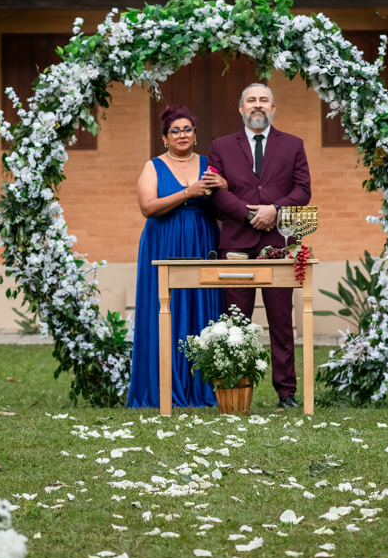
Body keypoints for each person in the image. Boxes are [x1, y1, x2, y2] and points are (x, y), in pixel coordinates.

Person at [208, 83, 311, 409]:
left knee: (282, 319)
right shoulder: (221, 146)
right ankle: (236, 388)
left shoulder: (293, 144)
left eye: (263, 100)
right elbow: (215, 190)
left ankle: (286, 393)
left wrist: (274, 210)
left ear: (273, 108)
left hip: (278, 243)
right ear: (241, 108)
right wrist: (249, 213)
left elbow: (303, 190)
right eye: (251, 100)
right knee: (235, 318)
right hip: (236, 241)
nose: (257, 105)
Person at [127, 106, 228, 409]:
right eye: (175, 131)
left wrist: (222, 185)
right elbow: (148, 207)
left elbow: (228, 200)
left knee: (202, 306)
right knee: (163, 308)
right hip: (164, 242)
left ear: (195, 136)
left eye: (188, 129)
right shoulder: (153, 166)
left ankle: (203, 388)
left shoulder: (211, 165)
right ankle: (161, 386)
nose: (182, 135)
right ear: (165, 138)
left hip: (201, 240)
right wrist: (189, 191)